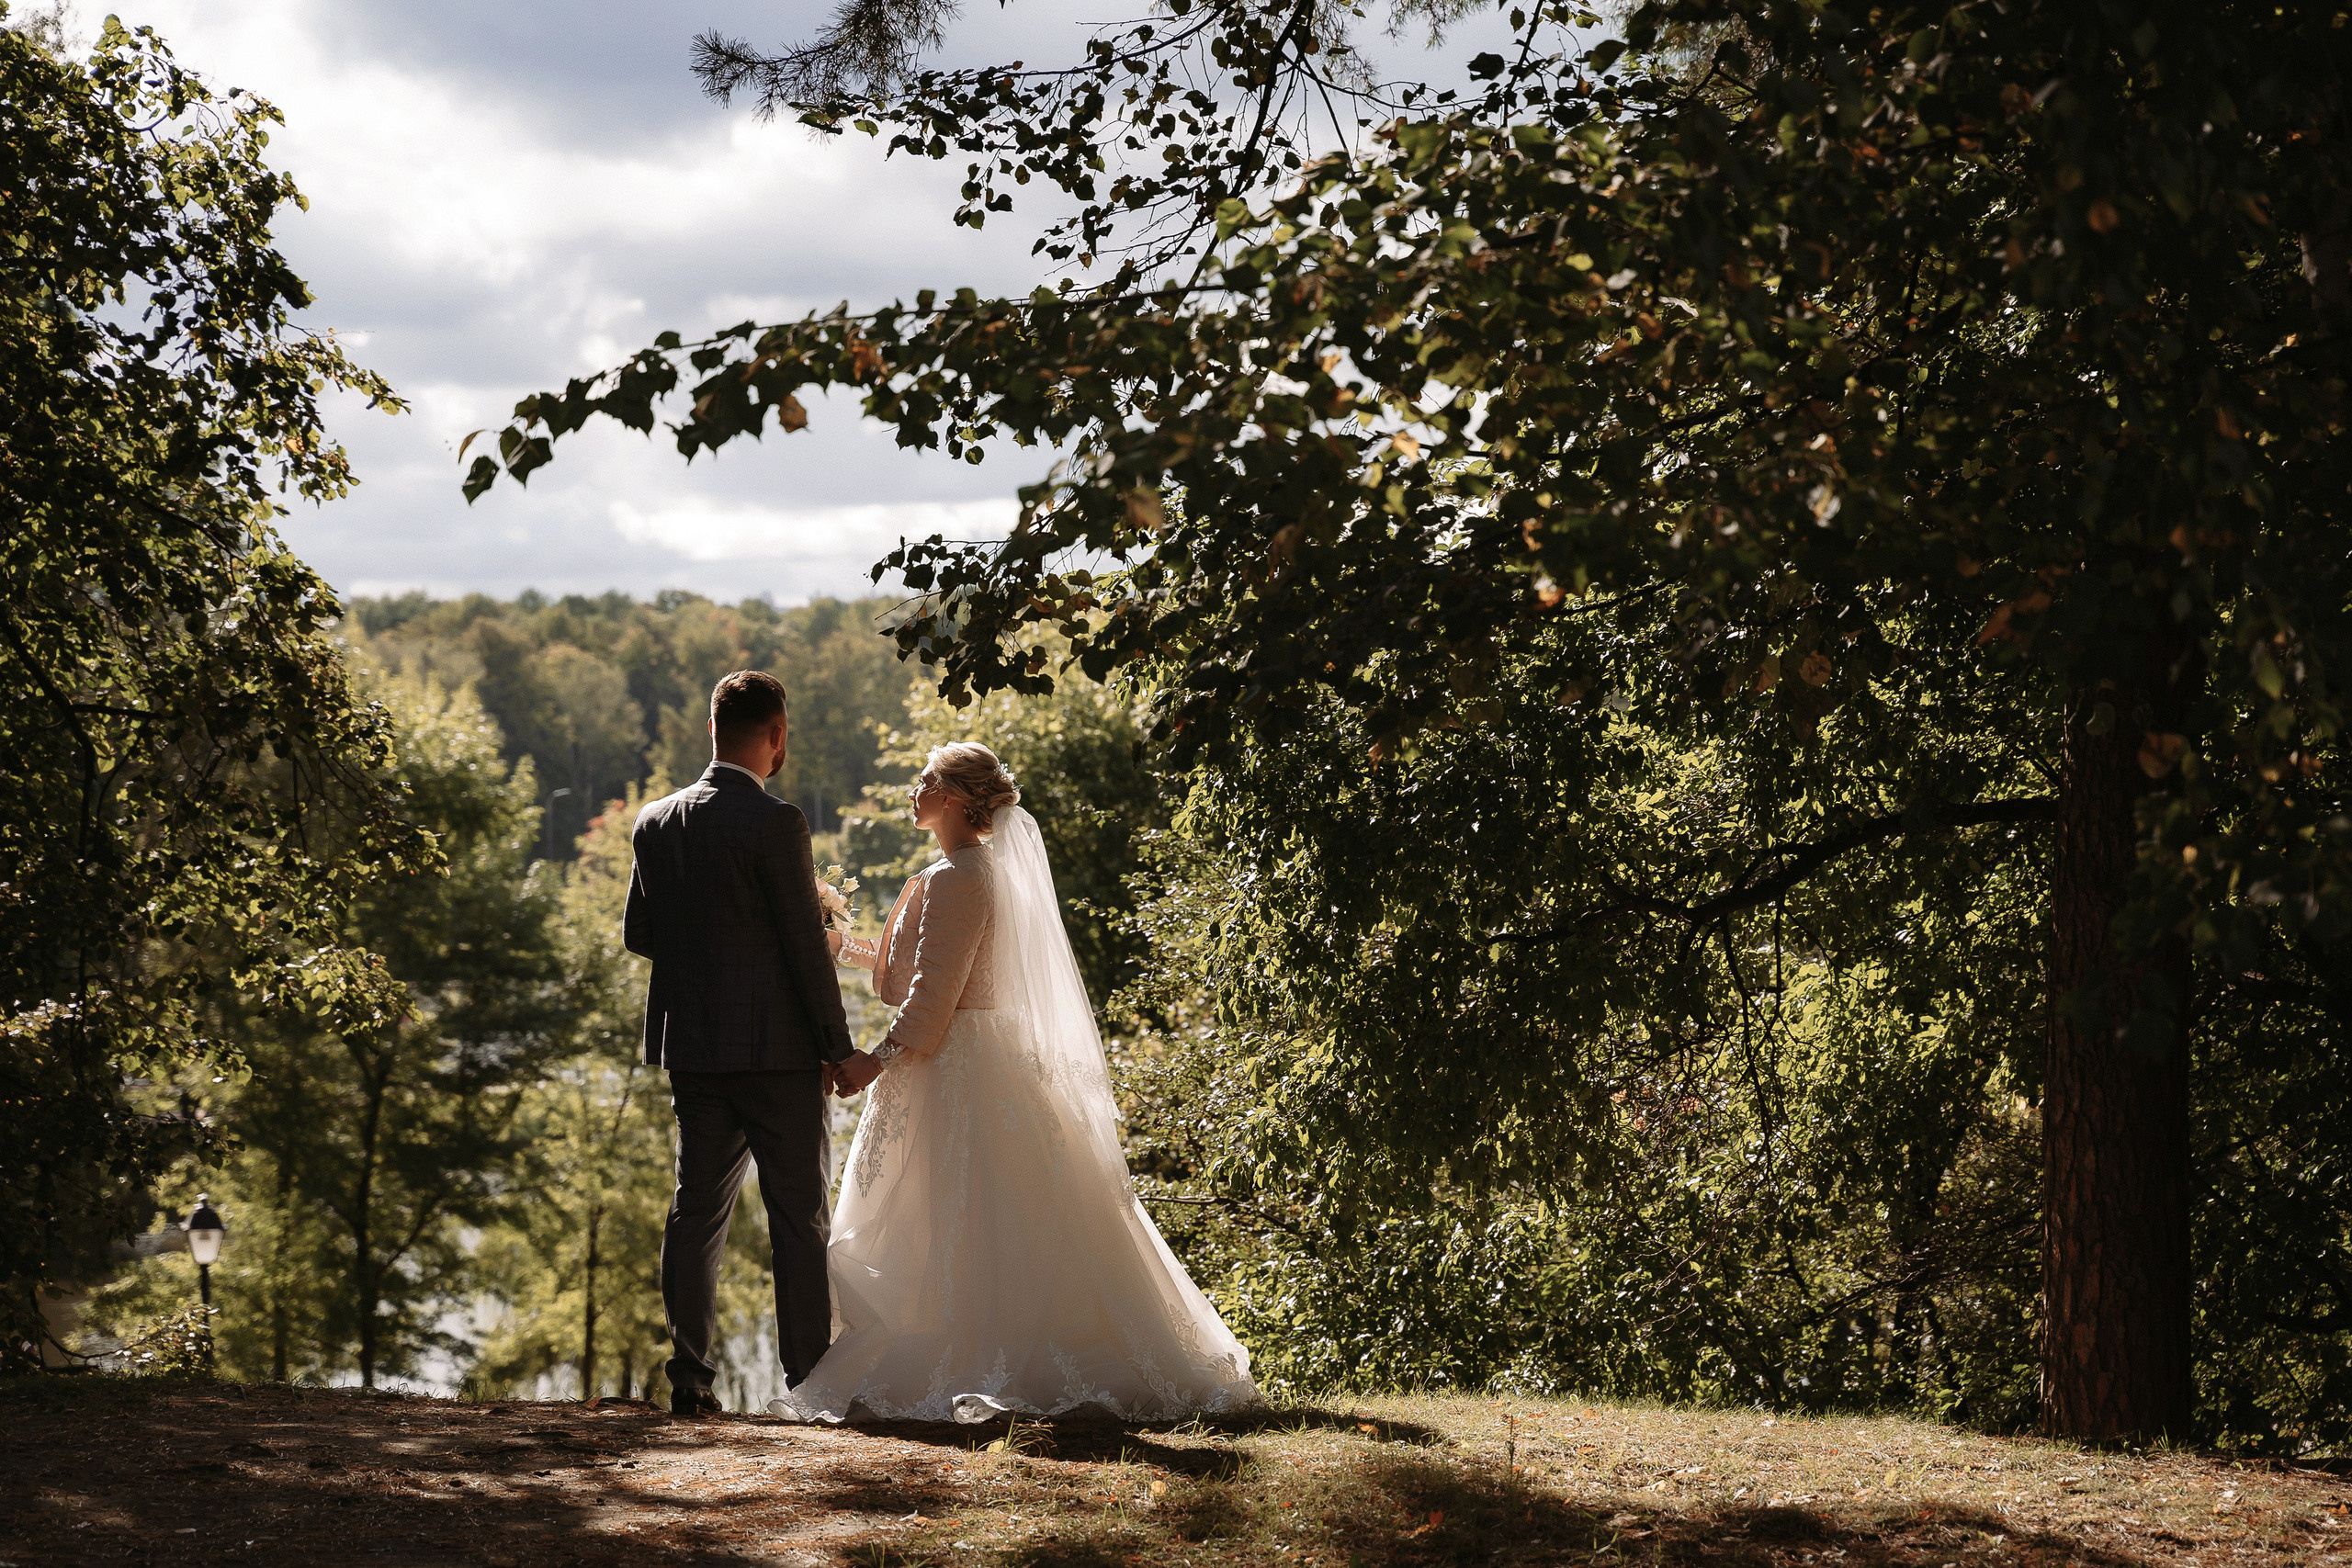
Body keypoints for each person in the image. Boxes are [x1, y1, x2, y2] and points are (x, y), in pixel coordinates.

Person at [771, 741, 1261, 1423]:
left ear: (954, 798)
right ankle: (972, 1339)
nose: (915, 789)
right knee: (965, 1217)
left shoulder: (959, 876)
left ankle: (983, 1354)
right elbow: (909, 969)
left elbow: (933, 999)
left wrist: (870, 1060)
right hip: (967, 1054)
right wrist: (835, 940)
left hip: (956, 1064)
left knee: (967, 1211)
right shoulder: (962, 870)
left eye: (926, 780)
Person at [623, 670, 854, 1416]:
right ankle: (808, 1382)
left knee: (695, 1213)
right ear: (777, 735)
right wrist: (839, 1047)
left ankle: (690, 1378)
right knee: (798, 1217)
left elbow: (640, 933)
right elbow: (802, 947)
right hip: (779, 1053)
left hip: (694, 1048)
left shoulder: (655, 821)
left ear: (712, 730)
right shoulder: (776, 822)